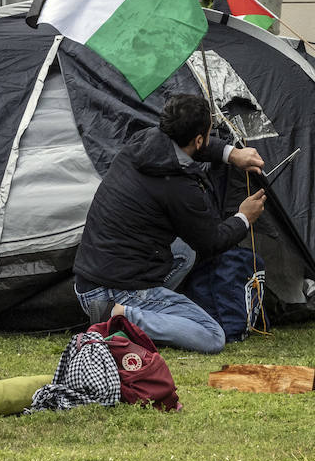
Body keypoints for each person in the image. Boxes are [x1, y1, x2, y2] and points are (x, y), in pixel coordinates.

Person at [72, 94, 266, 353]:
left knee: (185, 252)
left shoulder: (144, 141)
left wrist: (232, 154)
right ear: (198, 139)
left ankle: (126, 310)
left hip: (90, 281)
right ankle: (120, 317)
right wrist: (244, 217)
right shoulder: (178, 187)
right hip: (114, 293)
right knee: (212, 336)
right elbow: (212, 241)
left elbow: (197, 147)